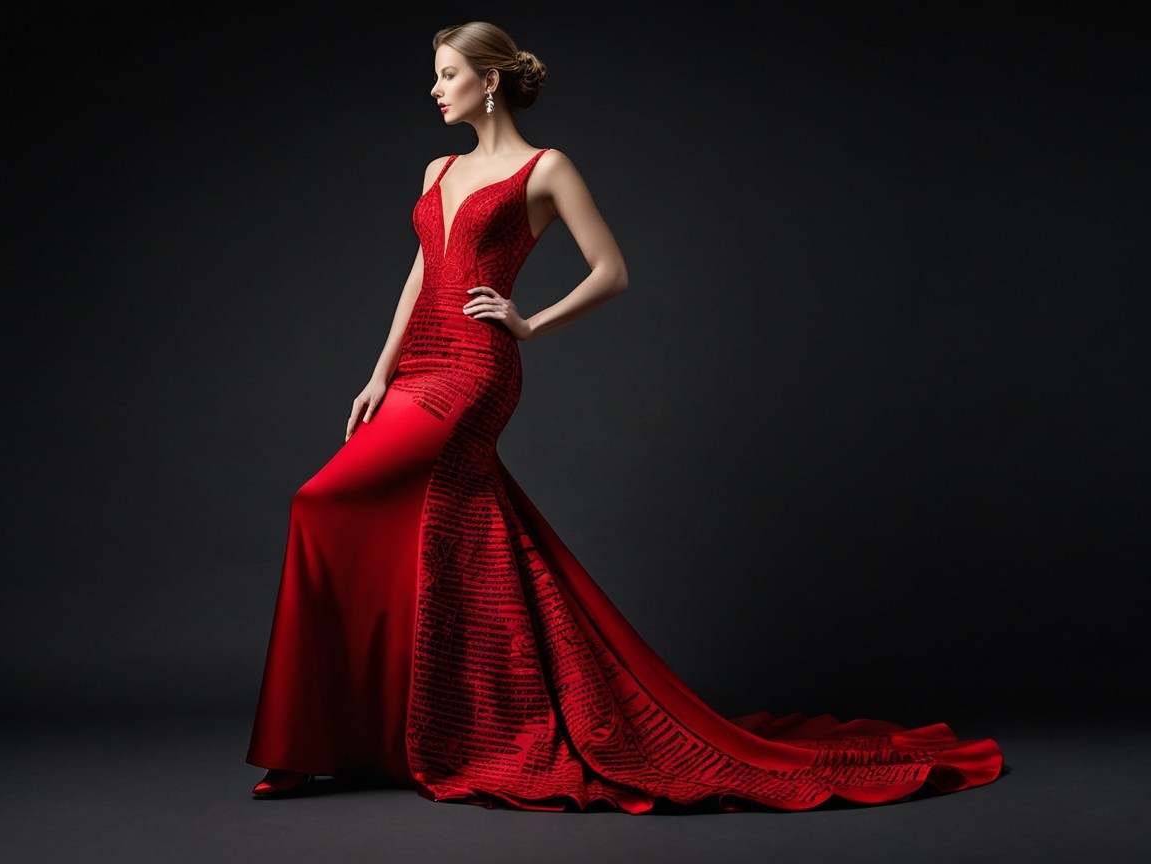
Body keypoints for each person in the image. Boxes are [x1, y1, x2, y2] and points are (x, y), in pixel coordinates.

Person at [246, 21, 1005, 812]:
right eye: (435, 77)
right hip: (414, 370)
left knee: (321, 503)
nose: (434, 89)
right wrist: (376, 374)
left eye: (446, 74)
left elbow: (612, 270)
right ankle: (384, 734)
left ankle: (307, 747)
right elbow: (419, 277)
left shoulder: (547, 169)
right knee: (427, 531)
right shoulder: (437, 168)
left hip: (472, 372)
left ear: (490, 81)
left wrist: (529, 322)